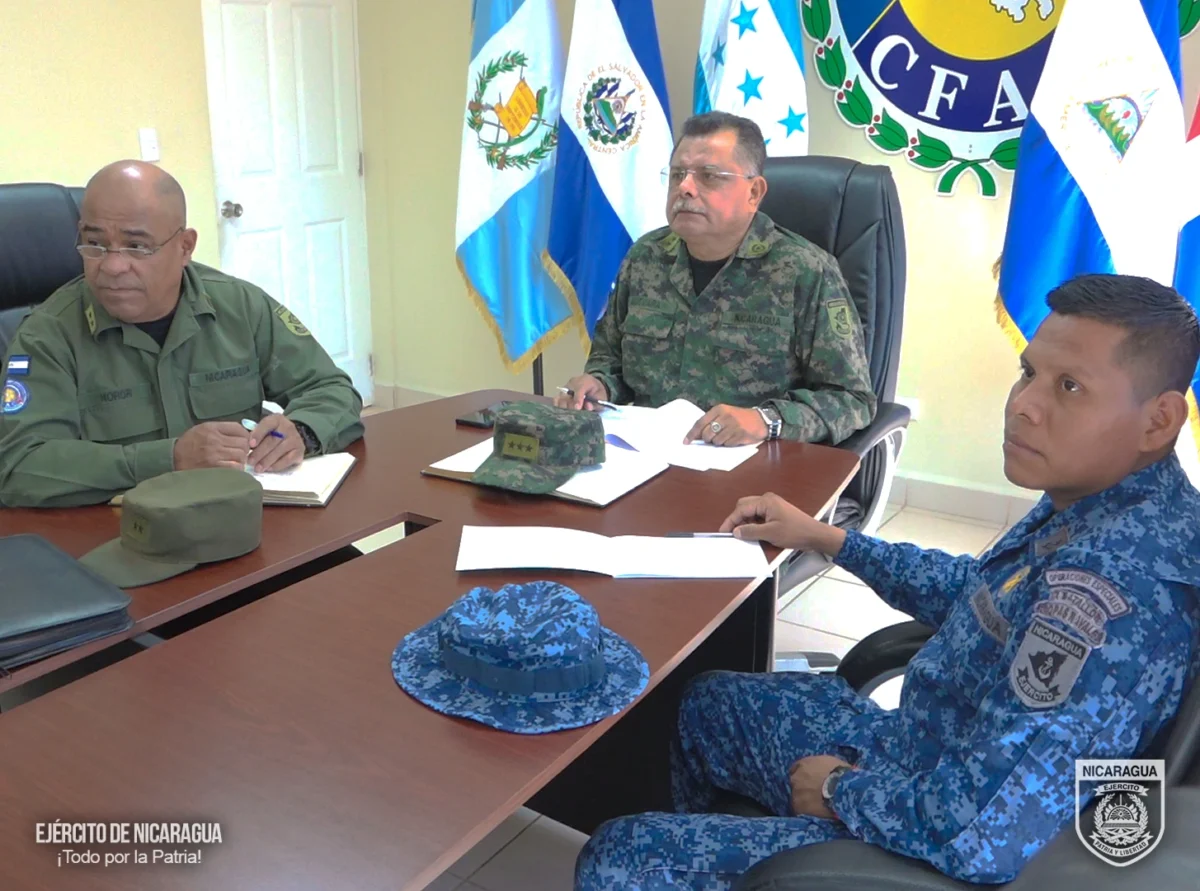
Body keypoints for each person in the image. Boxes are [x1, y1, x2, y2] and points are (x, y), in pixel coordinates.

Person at [574, 274, 1200, 888]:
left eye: (1069, 387)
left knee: (619, 857)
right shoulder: (1100, 499)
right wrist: (829, 538)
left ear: (1159, 420)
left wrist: (838, 791)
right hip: (916, 754)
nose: (1023, 405)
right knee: (707, 703)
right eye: (1028, 372)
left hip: (926, 841)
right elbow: (980, 595)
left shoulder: (1116, 593)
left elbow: (984, 837)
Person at [0, 160, 364, 508]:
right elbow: (19, 466)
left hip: (241, 517)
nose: (112, 265)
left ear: (185, 246)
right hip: (120, 532)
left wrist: (302, 432)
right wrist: (168, 459)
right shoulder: (47, 336)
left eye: (137, 246)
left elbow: (330, 388)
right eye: (95, 244)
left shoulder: (239, 306)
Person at [553, 112, 875, 447]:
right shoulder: (645, 258)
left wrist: (766, 420)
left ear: (754, 192)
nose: (685, 188)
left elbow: (851, 400)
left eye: (708, 176)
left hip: (757, 462)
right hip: (650, 453)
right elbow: (611, 362)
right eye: (677, 175)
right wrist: (599, 385)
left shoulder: (805, 271)